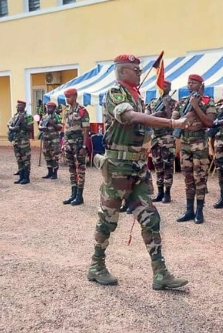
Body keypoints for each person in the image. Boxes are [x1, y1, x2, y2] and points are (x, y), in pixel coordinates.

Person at [87, 53, 189, 290]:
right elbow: (129, 117)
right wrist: (171, 124)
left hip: (139, 169)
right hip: (118, 168)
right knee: (108, 220)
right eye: (135, 69)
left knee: (150, 218)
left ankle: (160, 273)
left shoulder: (137, 97)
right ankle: (96, 265)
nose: (140, 73)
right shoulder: (115, 94)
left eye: (139, 69)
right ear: (122, 72)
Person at [172, 74, 217, 224]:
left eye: (193, 83)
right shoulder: (182, 102)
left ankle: (199, 212)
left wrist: (196, 107)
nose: (189, 85)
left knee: (200, 177)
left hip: (199, 143)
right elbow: (174, 120)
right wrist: (185, 117)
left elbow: (210, 123)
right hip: (185, 143)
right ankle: (189, 210)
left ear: (200, 85)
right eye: (188, 83)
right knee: (188, 178)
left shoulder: (207, 101)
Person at [145, 80, 177, 204]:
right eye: (163, 86)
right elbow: (146, 118)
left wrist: (167, 105)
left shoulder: (174, 103)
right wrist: (155, 114)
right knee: (157, 165)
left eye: (167, 86)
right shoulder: (152, 102)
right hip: (155, 138)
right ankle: (160, 192)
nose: (165, 88)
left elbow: (172, 120)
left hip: (167, 138)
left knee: (167, 165)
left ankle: (167, 193)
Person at [62, 88, 90, 206]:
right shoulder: (67, 111)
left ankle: (79, 196)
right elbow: (65, 128)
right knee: (72, 170)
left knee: (80, 170)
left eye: (69, 97)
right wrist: (64, 144)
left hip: (78, 145)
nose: (67, 99)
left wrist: (84, 146)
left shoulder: (82, 111)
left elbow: (86, 129)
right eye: (66, 97)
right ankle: (73, 194)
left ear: (75, 96)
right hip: (69, 144)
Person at [8, 100, 34, 184]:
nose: (18, 107)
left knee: (25, 159)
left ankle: (26, 177)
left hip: (24, 141)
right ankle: (21, 177)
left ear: (24, 106)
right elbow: (9, 125)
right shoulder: (15, 116)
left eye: (20, 106)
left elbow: (30, 129)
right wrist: (12, 128)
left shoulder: (28, 117)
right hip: (16, 141)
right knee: (19, 159)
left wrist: (23, 123)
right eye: (17, 106)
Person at [39, 101, 62, 179]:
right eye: (48, 107)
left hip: (54, 140)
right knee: (47, 155)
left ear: (54, 108)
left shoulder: (57, 116)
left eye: (51, 107)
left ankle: (55, 173)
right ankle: (49, 172)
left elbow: (60, 128)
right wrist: (42, 128)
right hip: (46, 139)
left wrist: (53, 124)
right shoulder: (44, 117)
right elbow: (40, 126)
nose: (49, 109)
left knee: (54, 156)